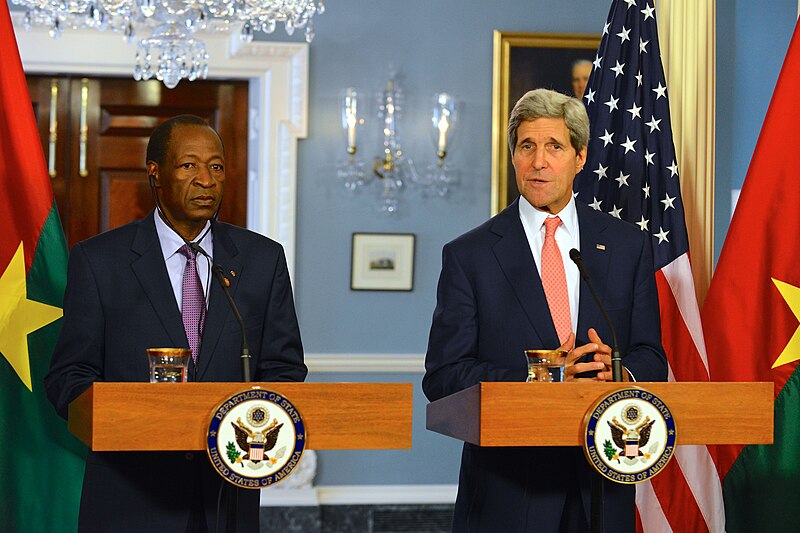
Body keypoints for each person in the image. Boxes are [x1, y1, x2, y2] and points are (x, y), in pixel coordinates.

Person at [44, 115, 307, 532]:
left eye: (216, 167)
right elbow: (69, 376)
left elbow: (284, 370)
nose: (206, 180)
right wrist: (131, 422)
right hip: (130, 498)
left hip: (227, 499)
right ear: (156, 174)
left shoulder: (262, 260)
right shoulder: (99, 261)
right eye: (189, 166)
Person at [422, 89, 667, 532]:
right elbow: (443, 377)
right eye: (527, 147)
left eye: (554, 147)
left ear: (580, 157)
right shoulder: (469, 255)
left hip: (601, 485)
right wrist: (541, 376)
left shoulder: (627, 246)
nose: (539, 162)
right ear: (513, 156)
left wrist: (618, 373)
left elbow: (651, 356)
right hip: (508, 492)